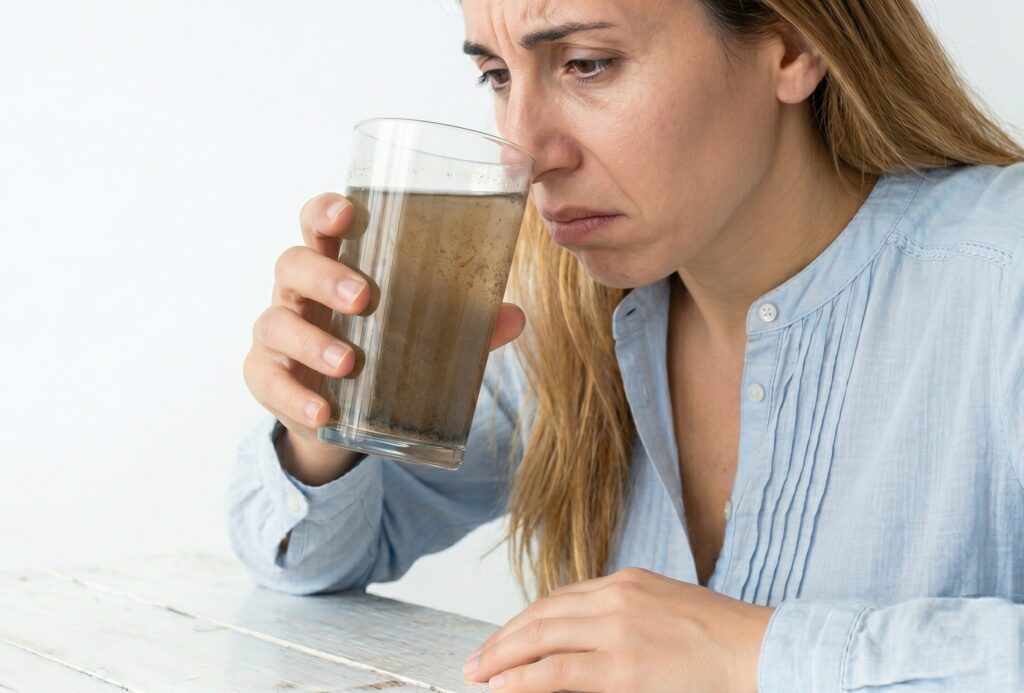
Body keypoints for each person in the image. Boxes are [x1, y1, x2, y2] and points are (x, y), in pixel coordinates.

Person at [230, 0, 1024, 690]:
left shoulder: (1005, 276)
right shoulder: (573, 322)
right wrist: (319, 417)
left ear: (792, 46)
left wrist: (751, 656)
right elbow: (313, 558)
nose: (527, 149)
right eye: (497, 76)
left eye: (586, 64)